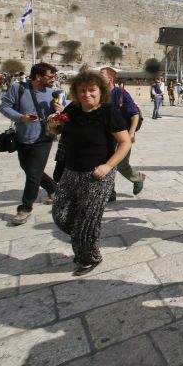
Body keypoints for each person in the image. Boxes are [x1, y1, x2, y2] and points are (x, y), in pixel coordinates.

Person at [49, 69, 131, 276]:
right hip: (71, 171)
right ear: (76, 93)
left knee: (87, 220)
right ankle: (83, 236)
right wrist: (53, 124)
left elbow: (124, 142)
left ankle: (89, 257)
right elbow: (59, 132)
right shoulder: (73, 109)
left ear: (100, 91)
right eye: (82, 91)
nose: (87, 95)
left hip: (98, 175)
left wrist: (108, 166)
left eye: (91, 90)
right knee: (60, 214)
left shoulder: (108, 113)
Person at [0, 62, 62, 226]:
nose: (53, 79)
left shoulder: (53, 92)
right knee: (30, 170)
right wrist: (20, 118)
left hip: (44, 138)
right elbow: (4, 107)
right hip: (23, 137)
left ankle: (25, 208)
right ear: (38, 76)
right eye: (50, 76)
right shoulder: (18, 88)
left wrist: (60, 111)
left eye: (54, 76)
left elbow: (62, 116)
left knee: (33, 174)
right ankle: (54, 189)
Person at [99, 66, 146, 200]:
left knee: (121, 164)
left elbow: (134, 114)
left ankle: (138, 178)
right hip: (105, 136)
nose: (98, 77)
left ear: (110, 79)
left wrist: (131, 133)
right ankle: (110, 192)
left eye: (101, 75)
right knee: (106, 162)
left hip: (122, 136)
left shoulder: (121, 93)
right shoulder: (99, 94)